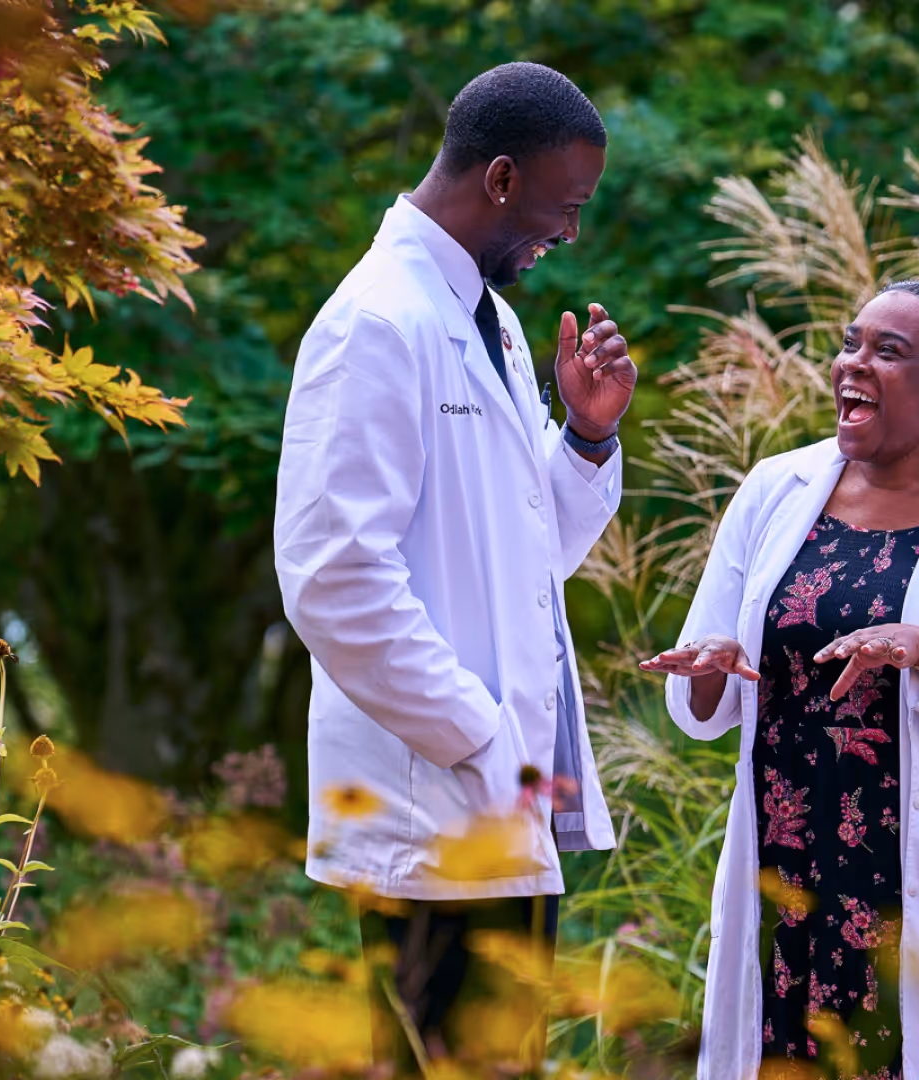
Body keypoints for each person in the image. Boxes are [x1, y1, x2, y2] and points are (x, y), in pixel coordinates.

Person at [273, 62, 636, 1066]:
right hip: (435, 812)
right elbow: (333, 578)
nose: (571, 236)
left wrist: (587, 441)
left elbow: (521, 560)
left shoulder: (496, 323)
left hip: (497, 808)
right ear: (504, 179)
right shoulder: (376, 323)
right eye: (567, 209)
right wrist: (482, 737)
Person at [641, 281, 919, 1080]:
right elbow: (704, 700)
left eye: (887, 351)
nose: (854, 363)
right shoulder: (775, 491)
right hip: (789, 875)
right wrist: (707, 668)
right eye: (850, 343)